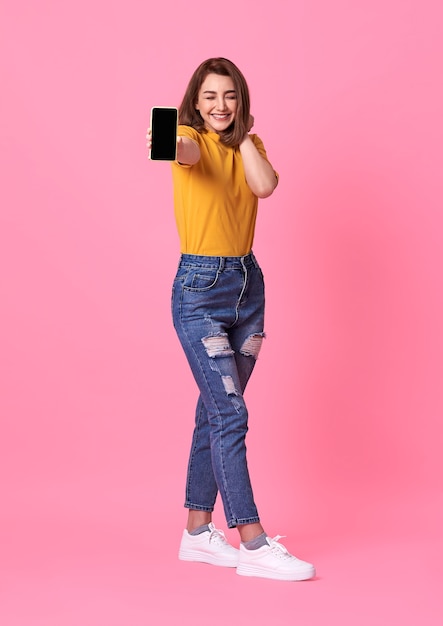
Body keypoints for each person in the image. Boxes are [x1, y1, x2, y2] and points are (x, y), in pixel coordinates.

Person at [146, 57, 315, 581]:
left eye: (231, 97)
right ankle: (253, 540)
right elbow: (180, 149)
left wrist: (242, 136)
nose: (220, 106)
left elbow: (264, 187)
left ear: (241, 101)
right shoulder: (188, 139)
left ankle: (197, 533)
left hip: (248, 288)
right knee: (231, 415)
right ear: (196, 101)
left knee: (214, 412)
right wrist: (169, 134)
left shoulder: (251, 147)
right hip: (199, 289)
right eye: (211, 97)